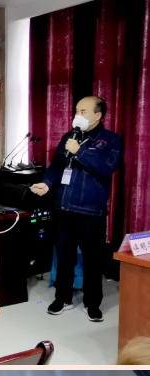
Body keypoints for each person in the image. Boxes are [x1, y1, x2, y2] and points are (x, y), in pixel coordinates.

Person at [31, 96, 123, 322]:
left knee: (92, 260)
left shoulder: (111, 140)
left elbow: (106, 169)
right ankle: (62, 298)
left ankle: (93, 303)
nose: (77, 116)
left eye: (83, 112)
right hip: (64, 208)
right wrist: (47, 183)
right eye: (76, 111)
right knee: (64, 256)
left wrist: (79, 152)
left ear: (98, 116)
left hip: (91, 212)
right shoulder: (69, 137)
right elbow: (56, 166)